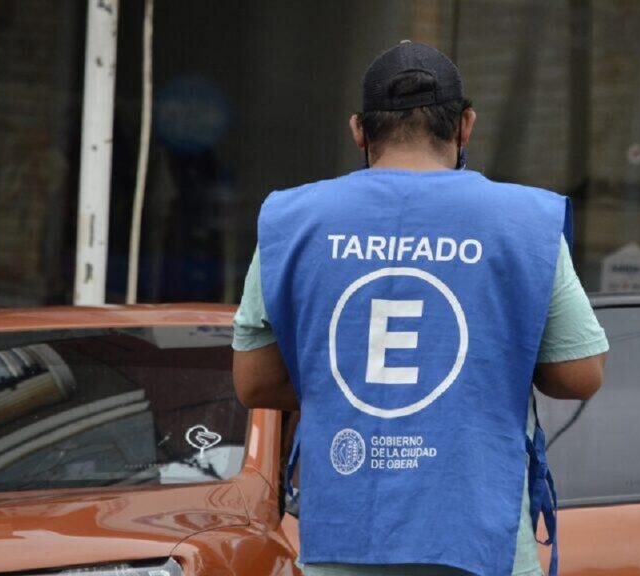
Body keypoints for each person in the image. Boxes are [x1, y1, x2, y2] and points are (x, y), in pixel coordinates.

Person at [232, 41, 608, 576]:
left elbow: (253, 382)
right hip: (480, 541)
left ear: (359, 131)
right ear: (466, 126)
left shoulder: (293, 219)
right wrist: (483, 368)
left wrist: (353, 382)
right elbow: (582, 373)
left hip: (344, 538)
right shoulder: (523, 221)